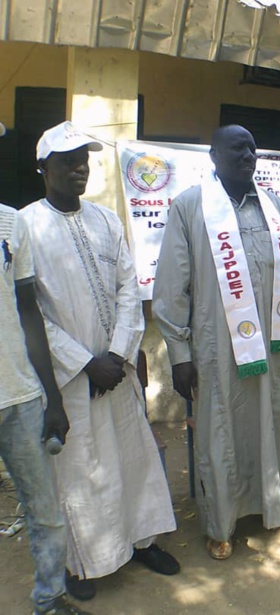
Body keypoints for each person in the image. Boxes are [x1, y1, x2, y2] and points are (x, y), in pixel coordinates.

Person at [21, 121, 178, 599]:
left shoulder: (106, 220)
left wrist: (116, 354)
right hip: (70, 377)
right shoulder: (26, 226)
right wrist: (86, 363)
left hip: (116, 369)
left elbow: (129, 289)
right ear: (42, 168)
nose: (79, 167)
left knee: (133, 459)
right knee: (80, 469)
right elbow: (30, 314)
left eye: (84, 159)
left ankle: (143, 540)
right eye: (68, 161)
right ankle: (81, 563)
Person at [153, 125, 280, 560]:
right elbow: (171, 287)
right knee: (221, 431)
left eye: (252, 149)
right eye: (237, 148)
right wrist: (179, 354)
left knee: (278, 425)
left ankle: (279, 509)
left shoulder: (275, 207)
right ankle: (221, 525)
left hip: (275, 348)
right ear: (214, 155)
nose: (247, 155)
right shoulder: (191, 207)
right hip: (218, 349)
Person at [0, 196, 89, 615]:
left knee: (46, 513)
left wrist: (52, 396)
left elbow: (27, 309)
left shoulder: (9, 222)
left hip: (19, 395)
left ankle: (50, 601)